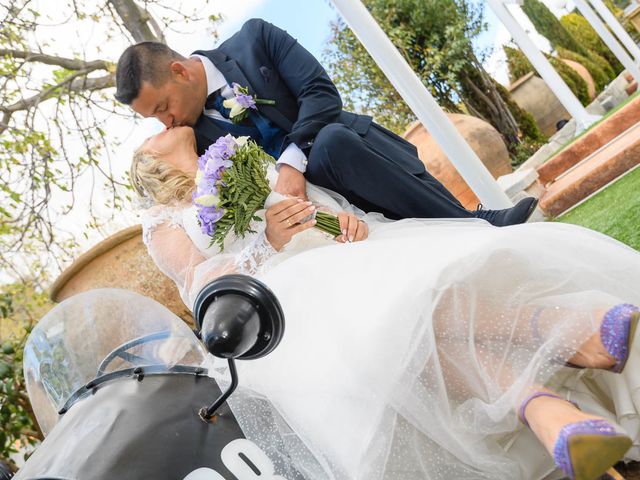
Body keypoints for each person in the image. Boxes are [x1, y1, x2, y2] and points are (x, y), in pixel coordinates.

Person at [129, 125, 640, 480]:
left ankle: (551, 414)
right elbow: (206, 288)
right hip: (287, 308)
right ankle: (561, 330)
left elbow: (301, 206)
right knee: (401, 313)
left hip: (337, 253)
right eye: (148, 133)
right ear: (148, 163)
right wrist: (269, 244)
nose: (157, 125)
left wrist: (341, 220)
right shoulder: (161, 222)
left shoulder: (234, 152)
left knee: (415, 309)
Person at [115, 18, 538, 227]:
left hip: (362, 160)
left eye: (163, 108)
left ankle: (475, 224)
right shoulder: (195, 142)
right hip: (321, 217)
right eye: (154, 119)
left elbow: (320, 93)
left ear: (179, 71)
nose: (166, 122)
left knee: (332, 138)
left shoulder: (255, 39)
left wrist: (290, 163)